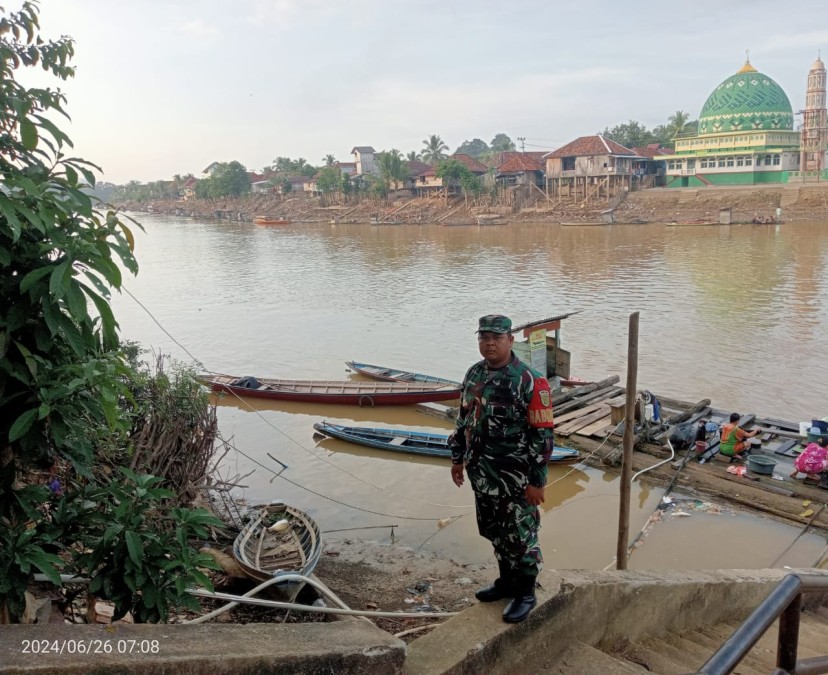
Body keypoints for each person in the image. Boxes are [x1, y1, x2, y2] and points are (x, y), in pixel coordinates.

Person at [449, 314, 554, 624]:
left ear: (510, 340)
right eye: (484, 337)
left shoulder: (530, 380)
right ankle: (506, 582)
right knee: (494, 532)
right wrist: (457, 458)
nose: (489, 343)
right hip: (482, 473)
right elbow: (463, 419)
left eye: (496, 337)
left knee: (520, 537)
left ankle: (526, 593)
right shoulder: (474, 373)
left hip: (516, 480)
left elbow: (543, 436)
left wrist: (537, 481)